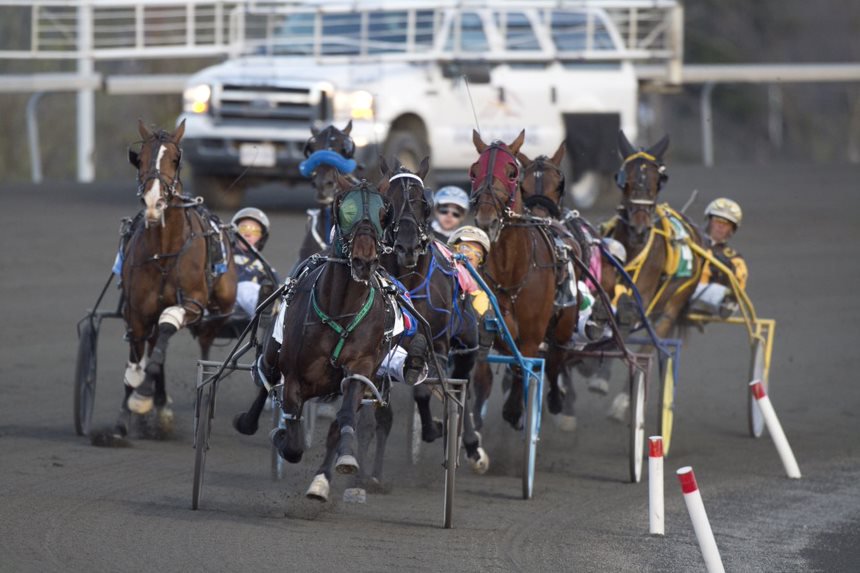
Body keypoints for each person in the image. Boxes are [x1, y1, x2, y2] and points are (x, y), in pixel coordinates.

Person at [690, 198, 748, 317]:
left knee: (724, 295)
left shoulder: (733, 257)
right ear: (709, 221)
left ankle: (725, 302)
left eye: (726, 224)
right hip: (680, 288)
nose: (720, 226)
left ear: (732, 229)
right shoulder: (690, 242)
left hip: (708, 297)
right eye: (717, 221)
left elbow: (739, 286)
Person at [231, 207, 274, 317]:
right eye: (243, 229)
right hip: (227, 297)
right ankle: (264, 310)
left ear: (261, 237)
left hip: (251, 304)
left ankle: (270, 310)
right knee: (245, 288)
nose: (247, 234)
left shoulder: (262, 264)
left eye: (254, 231)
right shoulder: (225, 254)